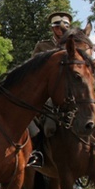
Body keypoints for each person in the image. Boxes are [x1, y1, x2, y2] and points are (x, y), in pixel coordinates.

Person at [26, 11, 72, 168]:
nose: (60, 30)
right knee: (31, 116)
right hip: (48, 94)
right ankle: (37, 152)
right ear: (53, 29)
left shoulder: (75, 44)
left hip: (73, 92)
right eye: (57, 27)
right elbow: (32, 71)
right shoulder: (42, 46)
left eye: (64, 27)